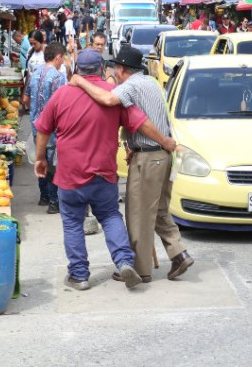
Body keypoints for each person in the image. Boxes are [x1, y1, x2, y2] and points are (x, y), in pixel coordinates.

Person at [34, 48, 176, 291]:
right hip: (103, 173)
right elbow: (141, 123)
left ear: (78, 69)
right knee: (110, 216)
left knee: (72, 223)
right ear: (101, 69)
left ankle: (79, 276)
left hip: (70, 176)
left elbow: (43, 130)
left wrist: (40, 159)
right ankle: (123, 262)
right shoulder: (115, 95)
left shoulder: (62, 95)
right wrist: (164, 141)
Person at [70, 45, 194, 283]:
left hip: (148, 156)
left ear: (122, 69)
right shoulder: (151, 83)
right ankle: (179, 254)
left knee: (138, 215)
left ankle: (141, 269)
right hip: (162, 157)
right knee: (158, 211)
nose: (115, 72)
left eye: (116, 67)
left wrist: (80, 82)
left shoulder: (131, 85)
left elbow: (107, 98)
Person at [27, 42, 68, 213]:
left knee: (39, 157)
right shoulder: (58, 77)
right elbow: (62, 103)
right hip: (51, 127)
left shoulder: (35, 74)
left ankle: (43, 196)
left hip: (36, 125)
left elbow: (26, 98)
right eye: (62, 58)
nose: (63, 61)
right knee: (51, 162)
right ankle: (53, 201)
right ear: (57, 57)